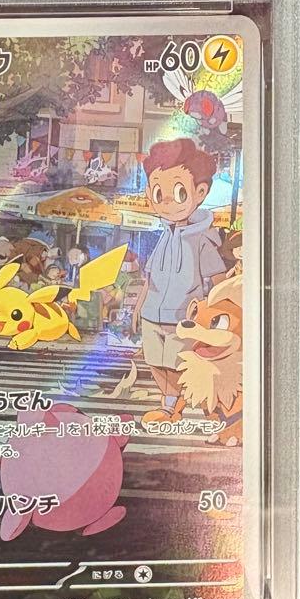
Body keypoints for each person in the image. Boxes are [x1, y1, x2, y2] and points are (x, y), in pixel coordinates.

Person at [131, 138, 224, 423]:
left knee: (179, 363)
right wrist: (138, 307)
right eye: (159, 193)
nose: (168, 201)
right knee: (154, 361)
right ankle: (169, 404)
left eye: (179, 192)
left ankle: (184, 406)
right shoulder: (163, 235)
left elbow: (218, 280)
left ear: (200, 192)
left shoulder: (202, 239)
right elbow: (150, 277)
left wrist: (213, 313)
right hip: (152, 313)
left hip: (184, 316)